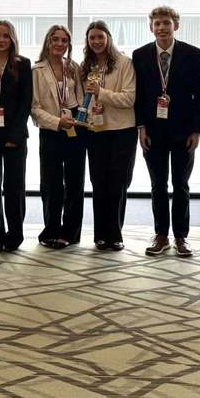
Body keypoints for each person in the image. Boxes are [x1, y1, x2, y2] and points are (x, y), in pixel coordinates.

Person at [132, 6, 200, 258]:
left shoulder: (193, 54)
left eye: (167, 23)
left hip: (184, 131)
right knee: (158, 185)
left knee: (181, 184)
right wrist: (141, 127)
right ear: (151, 27)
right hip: (152, 131)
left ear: (176, 25)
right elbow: (138, 97)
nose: (162, 27)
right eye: (157, 23)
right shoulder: (139, 55)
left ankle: (181, 237)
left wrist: (197, 129)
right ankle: (161, 235)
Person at [80, 21, 136, 251]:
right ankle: (100, 236)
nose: (96, 41)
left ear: (108, 38)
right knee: (99, 183)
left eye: (100, 37)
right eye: (92, 38)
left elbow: (128, 99)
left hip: (122, 131)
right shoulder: (86, 66)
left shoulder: (124, 63)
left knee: (118, 184)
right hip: (96, 131)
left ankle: (116, 234)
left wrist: (101, 93)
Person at [31, 24, 87, 249]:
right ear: (48, 41)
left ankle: (70, 232)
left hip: (74, 126)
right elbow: (34, 108)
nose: (60, 44)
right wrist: (57, 122)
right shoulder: (37, 70)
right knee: (51, 183)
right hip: (51, 128)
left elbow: (83, 99)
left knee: (75, 181)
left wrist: (78, 118)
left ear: (69, 45)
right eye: (55, 39)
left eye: (64, 41)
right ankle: (51, 229)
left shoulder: (74, 67)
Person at [0, 20, 32, 252]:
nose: (1, 40)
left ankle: (15, 235)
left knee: (14, 186)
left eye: (6, 36)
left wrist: (16, 134)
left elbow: (25, 103)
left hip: (14, 135)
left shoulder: (22, 64)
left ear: (12, 39)